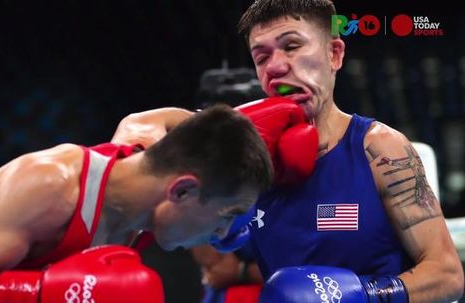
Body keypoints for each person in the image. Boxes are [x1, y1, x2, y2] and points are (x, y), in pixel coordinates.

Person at [109, 0, 465, 302]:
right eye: (261, 57)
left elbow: (448, 274)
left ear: (334, 53)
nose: (276, 66)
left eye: (292, 46)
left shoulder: (380, 148)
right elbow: (141, 124)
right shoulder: (245, 152)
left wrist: (362, 295)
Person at [0, 104, 275, 303]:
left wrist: (248, 139)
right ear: (181, 191)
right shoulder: (48, 186)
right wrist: (44, 295)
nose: (223, 233)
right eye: (227, 216)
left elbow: (159, 121)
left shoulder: (148, 157)